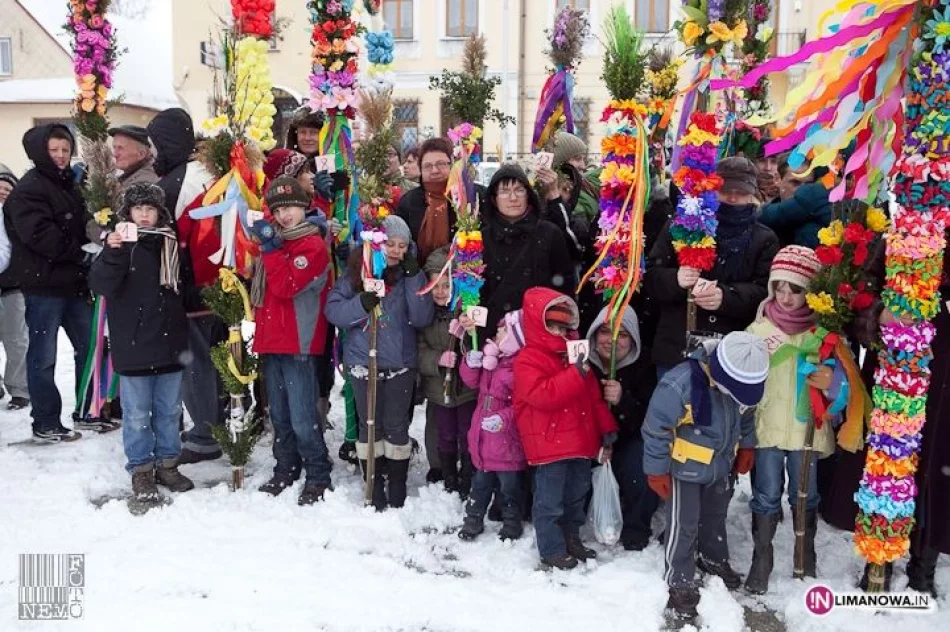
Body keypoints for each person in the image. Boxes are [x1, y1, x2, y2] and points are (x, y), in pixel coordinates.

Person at [642, 331, 768, 619]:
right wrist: (656, 470)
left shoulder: (744, 378)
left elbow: (746, 414)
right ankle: (679, 579)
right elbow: (656, 428)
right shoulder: (681, 384)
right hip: (683, 468)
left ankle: (712, 556)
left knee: (715, 517)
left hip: (722, 466)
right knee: (683, 524)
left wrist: (747, 445)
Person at [743, 245, 845, 594]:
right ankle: (762, 558)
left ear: (810, 291)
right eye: (779, 287)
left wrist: (831, 382)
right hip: (769, 426)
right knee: (766, 493)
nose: (786, 297)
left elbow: (843, 387)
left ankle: (806, 551)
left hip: (807, 428)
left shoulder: (823, 334)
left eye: (796, 289)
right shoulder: (757, 330)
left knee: (806, 494)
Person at [89, 183, 193, 503]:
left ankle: (167, 464)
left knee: (169, 410)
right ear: (128, 213)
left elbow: (185, 288)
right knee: (135, 414)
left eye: (150, 209)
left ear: (159, 212)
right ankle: (141, 469)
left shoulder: (171, 244)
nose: (145, 215)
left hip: (171, 343)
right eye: (138, 209)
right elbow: (101, 284)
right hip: (133, 344)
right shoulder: (120, 247)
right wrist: (112, 252)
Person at [326, 215, 434, 510]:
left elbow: (421, 316)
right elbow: (334, 312)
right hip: (364, 362)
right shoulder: (355, 274)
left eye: (402, 245)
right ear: (377, 244)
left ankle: (397, 481)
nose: (396, 251)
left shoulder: (411, 276)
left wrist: (414, 279)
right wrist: (360, 304)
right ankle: (372, 479)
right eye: (390, 244)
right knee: (369, 424)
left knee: (396, 424)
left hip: (399, 362)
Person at [3, 124, 97, 442]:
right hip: (43, 287)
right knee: (43, 357)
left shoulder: (69, 184)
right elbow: (40, 235)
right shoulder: (29, 189)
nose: (60, 156)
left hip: (73, 284)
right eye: (54, 150)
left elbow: (83, 219)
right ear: (40, 152)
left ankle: (89, 410)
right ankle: (45, 420)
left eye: (65, 150)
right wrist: (80, 254)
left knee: (90, 347)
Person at [514, 288, 618, 569]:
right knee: (549, 502)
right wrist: (575, 374)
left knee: (576, 496)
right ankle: (551, 547)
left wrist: (605, 428)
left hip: (581, 442)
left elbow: (593, 399)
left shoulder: (576, 358)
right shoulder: (528, 359)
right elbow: (543, 396)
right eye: (553, 326)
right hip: (550, 446)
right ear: (538, 325)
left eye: (564, 327)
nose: (560, 333)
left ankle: (571, 537)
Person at [646, 156, 779, 375]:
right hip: (676, 348)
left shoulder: (764, 238)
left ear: (753, 193)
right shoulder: (682, 225)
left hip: (731, 353)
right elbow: (650, 278)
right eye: (725, 190)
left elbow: (766, 294)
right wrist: (676, 279)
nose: (733, 198)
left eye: (742, 192)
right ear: (711, 189)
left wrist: (726, 297)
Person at [249, 177, 335, 505]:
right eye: (279, 209)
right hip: (272, 340)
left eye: (291, 208)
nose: (285, 215)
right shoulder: (278, 240)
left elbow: (286, 286)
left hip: (299, 342)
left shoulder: (311, 245)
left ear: (304, 207)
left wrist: (270, 250)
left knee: (301, 415)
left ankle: (317, 471)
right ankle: (286, 465)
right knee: (280, 414)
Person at [460, 164, 576, 341]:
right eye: (505, 191)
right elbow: (476, 293)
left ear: (528, 195)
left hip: (539, 332)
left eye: (519, 190)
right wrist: (471, 319)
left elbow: (564, 286)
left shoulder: (548, 233)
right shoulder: (480, 239)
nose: (513, 198)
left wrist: (557, 323)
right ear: (494, 198)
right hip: (495, 337)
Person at [586, 305, 659, 551]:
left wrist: (623, 400)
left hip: (629, 438)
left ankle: (636, 526)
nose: (612, 340)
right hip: (589, 440)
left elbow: (649, 420)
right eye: (605, 332)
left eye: (623, 334)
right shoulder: (582, 365)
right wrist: (596, 444)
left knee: (642, 463)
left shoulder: (644, 366)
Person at [457, 309, 528, 541]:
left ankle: (511, 522)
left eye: (502, 333)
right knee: (479, 485)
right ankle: (473, 519)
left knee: (509, 487)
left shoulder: (520, 367)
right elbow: (470, 381)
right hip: (484, 436)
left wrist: (503, 419)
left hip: (506, 439)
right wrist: (471, 363)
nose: (496, 337)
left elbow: (522, 404)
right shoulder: (492, 361)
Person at [417, 247, 478, 497]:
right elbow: (418, 350)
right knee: (444, 431)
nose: (441, 292)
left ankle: (467, 474)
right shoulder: (425, 316)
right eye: (435, 286)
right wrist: (437, 359)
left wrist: (467, 335)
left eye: (446, 285)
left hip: (465, 388)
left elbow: (478, 344)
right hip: (438, 387)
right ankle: (446, 472)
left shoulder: (465, 312)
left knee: (466, 430)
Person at [396, 137, 457, 264]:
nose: (434, 170)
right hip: (419, 275)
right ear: (421, 170)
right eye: (428, 166)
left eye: (441, 164)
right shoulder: (409, 202)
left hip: (464, 275)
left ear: (451, 163)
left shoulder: (470, 197)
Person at [148, 108, 213, 221]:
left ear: (164, 145)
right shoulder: (208, 168)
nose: (151, 152)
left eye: (153, 145)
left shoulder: (171, 187)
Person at [0, 166, 29, 410]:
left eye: (7, 188)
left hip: (13, 285)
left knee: (16, 339)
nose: (2, 191)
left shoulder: (21, 216)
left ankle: (19, 388)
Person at [758, 163, 832, 248]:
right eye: (795, 182)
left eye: (808, 185)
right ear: (777, 179)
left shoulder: (817, 227)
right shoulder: (762, 224)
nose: (801, 190)